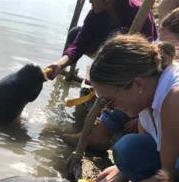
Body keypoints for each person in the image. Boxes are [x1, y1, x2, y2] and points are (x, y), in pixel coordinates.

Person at [78, 34, 179, 182]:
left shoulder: (174, 98)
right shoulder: (149, 91)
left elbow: (169, 177)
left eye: (110, 101)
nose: (111, 108)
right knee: (129, 150)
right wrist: (119, 174)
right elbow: (155, 147)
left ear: (137, 84)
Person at [49, 0, 158, 153]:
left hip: (133, 66)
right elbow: (80, 43)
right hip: (110, 53)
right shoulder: (96, 12)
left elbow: (146, 62)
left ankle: (101, 132)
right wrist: (60, 64)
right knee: (75, 33)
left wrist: (141, 116)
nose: (89, 1)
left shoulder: (139, 14)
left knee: (121, 98)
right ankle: (105, 87)